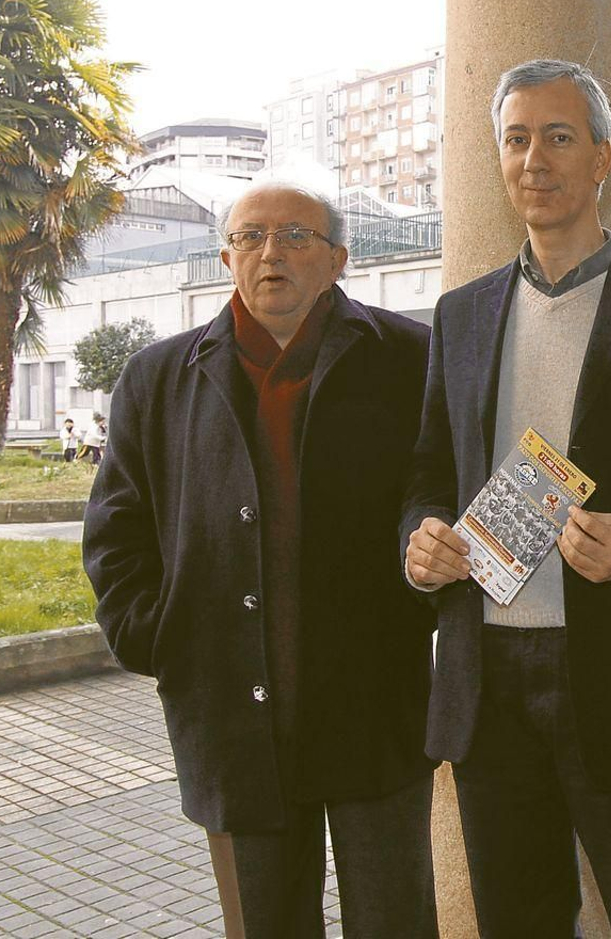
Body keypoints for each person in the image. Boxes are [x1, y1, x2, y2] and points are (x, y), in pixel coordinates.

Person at [402, 58, 611, 938]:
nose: (534, 158)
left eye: (558, 136)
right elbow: (430, 474)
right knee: (518, 920)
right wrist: (423, 536)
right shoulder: (461, 315)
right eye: (516, 139)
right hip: (488, 683)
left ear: (601, 159)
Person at [84, 182, 438, 938]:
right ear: (225, 257)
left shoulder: (409, 357)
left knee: (397, 918)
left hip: (376, 705)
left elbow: (442, 493)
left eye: (295, 236)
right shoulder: (158, 378)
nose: (270, 252)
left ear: (340, 258)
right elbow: (116, 530)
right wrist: (155, 635)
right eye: (250, 237)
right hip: (231, 713)